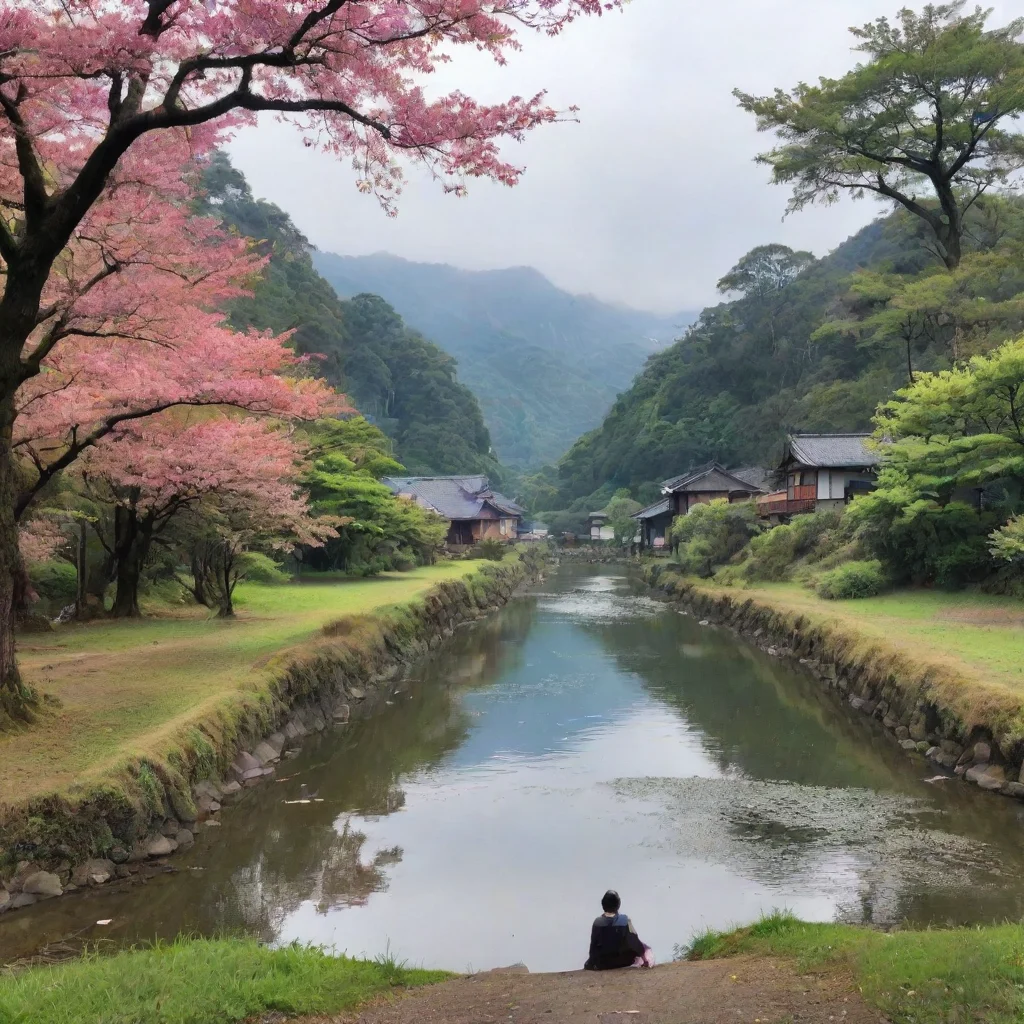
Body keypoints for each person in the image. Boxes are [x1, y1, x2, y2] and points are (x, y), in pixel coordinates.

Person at [583, 890, 655, 970]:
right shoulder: (625, 920)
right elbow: (635, 942)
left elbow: (593, 947)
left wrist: (591, 964)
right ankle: (647, 961)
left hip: (603, 963)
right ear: (618, 904)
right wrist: (644, 959)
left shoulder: (597, 922)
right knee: (645, 947)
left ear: (603, 904)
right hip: (623, 961)